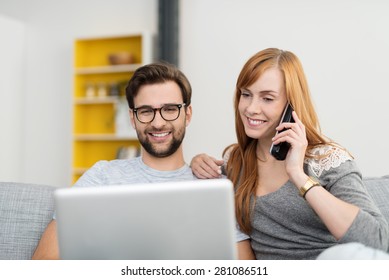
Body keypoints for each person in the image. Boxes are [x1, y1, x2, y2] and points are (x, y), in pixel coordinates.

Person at [32, 62, 252, 260]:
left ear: (188, 114)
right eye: (146, 111)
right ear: (132, 118)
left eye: (169, 110)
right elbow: (43, 263)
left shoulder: (213, 186)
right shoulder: (102, 176)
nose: (158, 123)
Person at [191, 48, 389, 259]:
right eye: (246, 95)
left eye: (267, 98)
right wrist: (197, 162)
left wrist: (298, 174)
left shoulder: (327, 160)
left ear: (291, 105)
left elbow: (378, 241)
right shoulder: (236, 161)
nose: (251, 108)